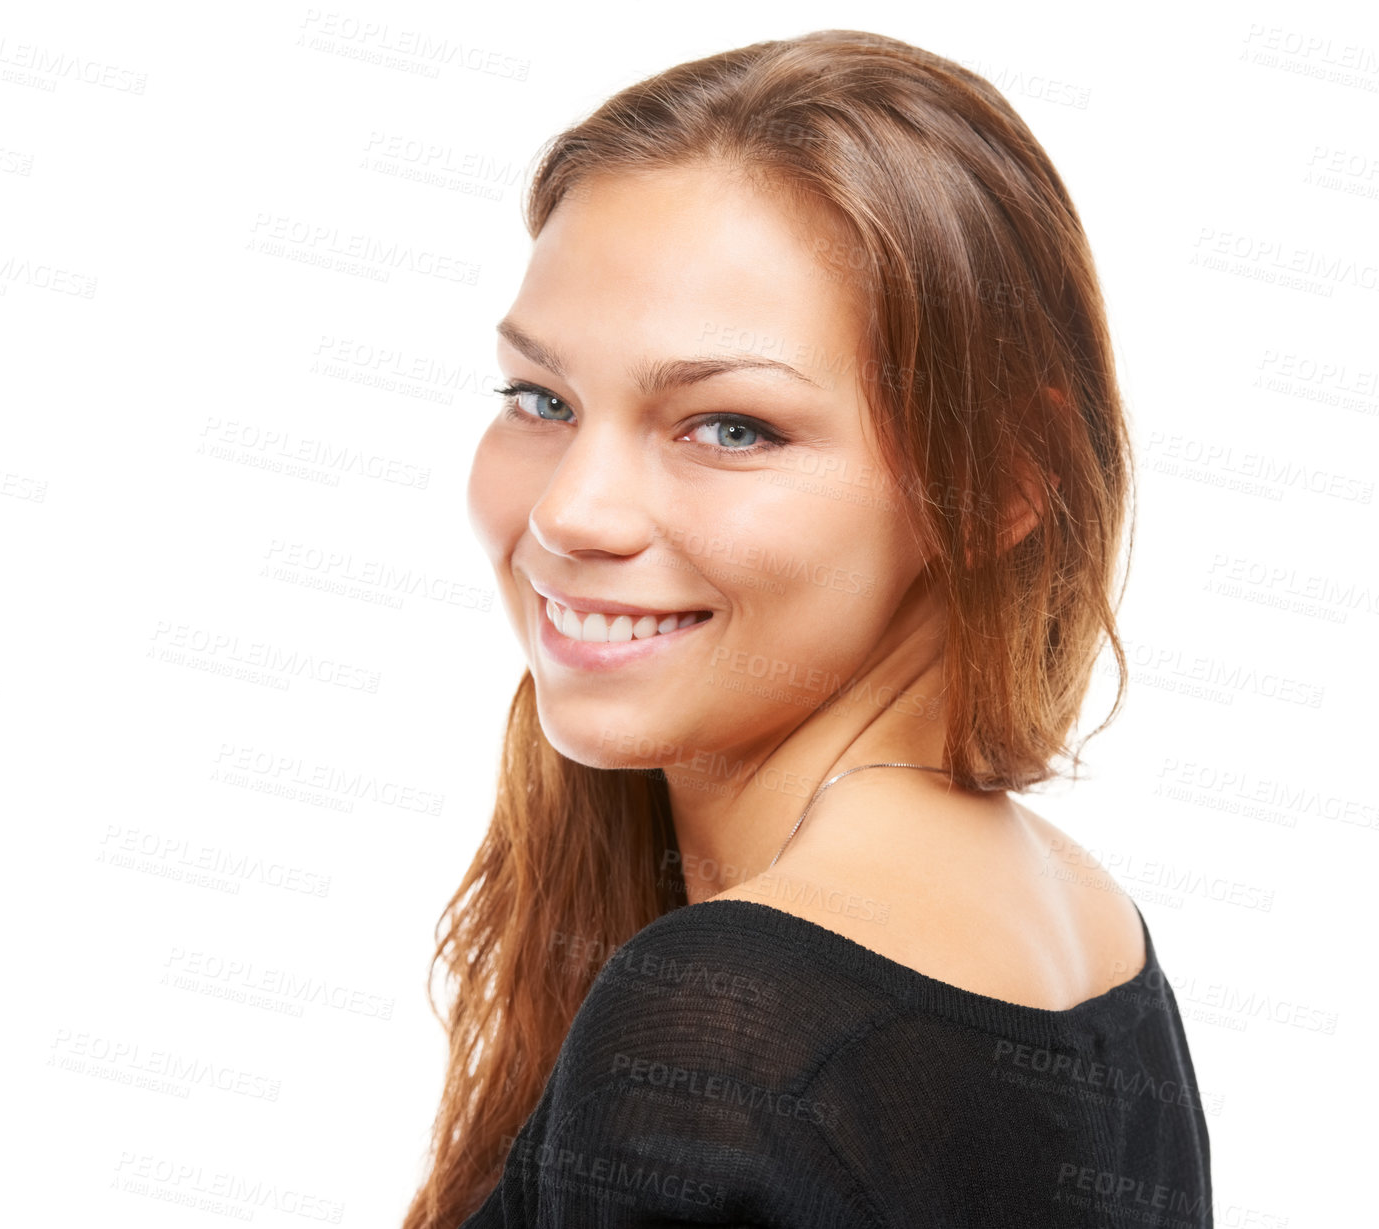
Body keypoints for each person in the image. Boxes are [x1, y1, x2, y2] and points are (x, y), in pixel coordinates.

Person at [406, 28, 1213, 1228]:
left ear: (1003, 477)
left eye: (731, 425)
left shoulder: (726, 1014)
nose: (570, 510)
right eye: (542, 399)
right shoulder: (1078, 919)